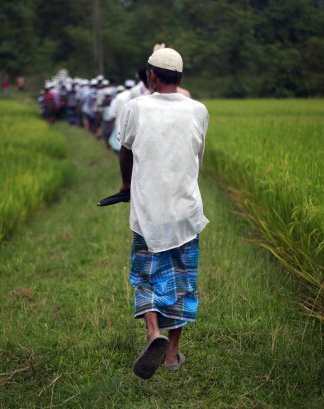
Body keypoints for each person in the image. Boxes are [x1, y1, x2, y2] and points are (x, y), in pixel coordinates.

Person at [117, 47, 209, 380]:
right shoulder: (198, 110)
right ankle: (171, 355)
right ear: (180, 78)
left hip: (148, 215)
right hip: (185, 212)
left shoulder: (135, 108)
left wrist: (127, 186)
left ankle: (152, 332)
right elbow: (197, 156)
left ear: (151, 76)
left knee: (147, 276)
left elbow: (125, 152)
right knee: (181, 282)